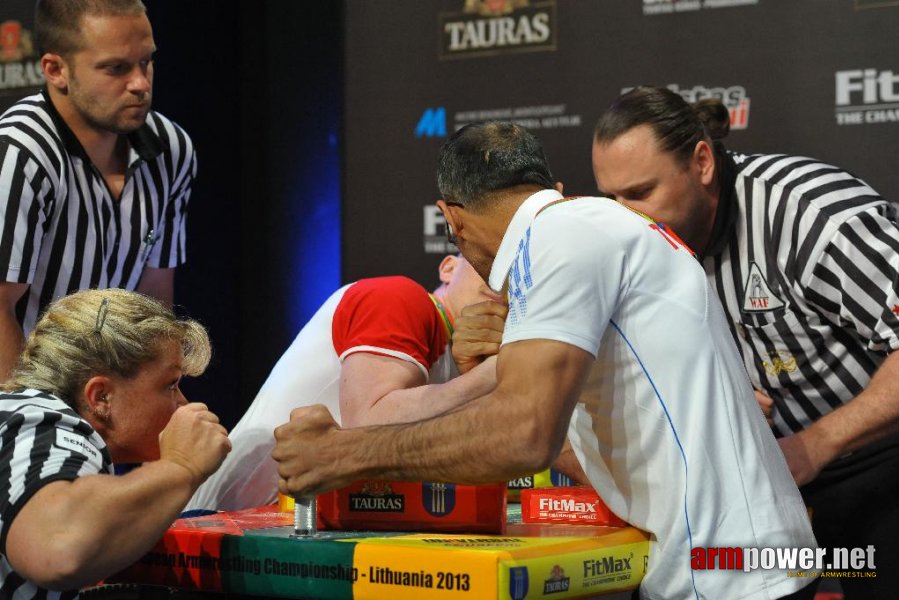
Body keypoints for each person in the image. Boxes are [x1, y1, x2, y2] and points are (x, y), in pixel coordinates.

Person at [271, 122, 818, 600]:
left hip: (724, 575)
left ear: (451, 219)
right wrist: (495, 373)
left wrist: (348, 453)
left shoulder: (558, 234)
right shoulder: (597, 227)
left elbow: (522, 436)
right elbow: (592, 438)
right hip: (744, 561)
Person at [591, 85, 899, 599]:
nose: (626, 218)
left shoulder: (813, 215)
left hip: (880, 460)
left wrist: (815, 445)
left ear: (703, 162)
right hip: (768, 480)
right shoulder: (632, 244)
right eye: (612, 198)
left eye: (641, 193)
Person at [186, 254, 506, 511]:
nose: (503, 279)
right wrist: (494, 373)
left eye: (519, 275)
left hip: (299, 528)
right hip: (225, 525)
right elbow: (369, 429)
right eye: (490, 259)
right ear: (448, 267)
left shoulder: (461, 363)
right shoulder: (397, 297)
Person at [0, 0, 196, 379]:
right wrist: (28, 424)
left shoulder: (171, 149)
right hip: (24, 396)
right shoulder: (20, 152)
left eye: (147, 62)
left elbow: (154, 299)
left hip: (105, 396)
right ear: (56, 70)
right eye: (116, 68)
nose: (140, 83)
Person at [0, 288, 230, 597]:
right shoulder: (43, 421)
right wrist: (182, 466)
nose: (183, 403)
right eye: (171, 384)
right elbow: (59, 547)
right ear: (101, 397)